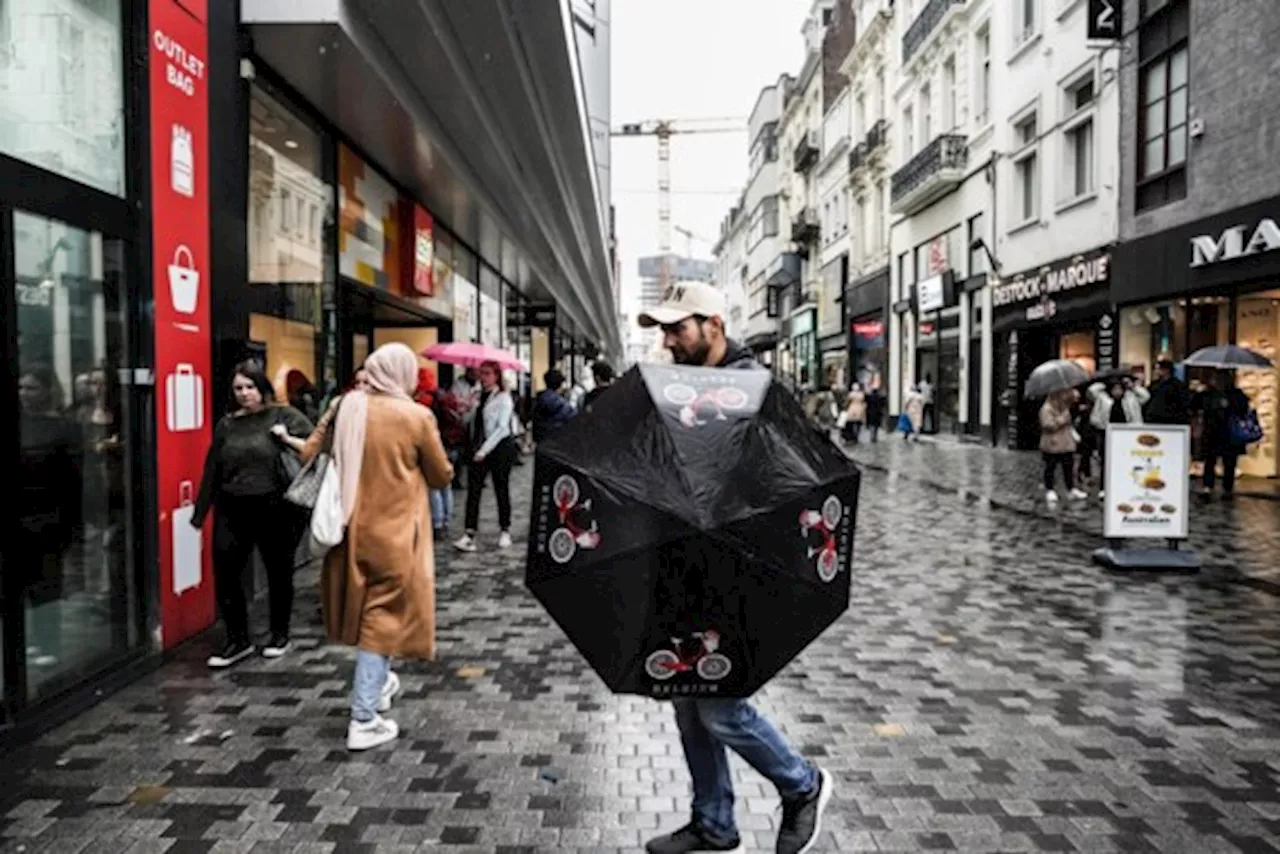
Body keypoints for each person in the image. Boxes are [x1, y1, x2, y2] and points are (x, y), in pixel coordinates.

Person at [636, 280, 832, 854]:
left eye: (678, 328)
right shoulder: (685, 387)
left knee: (721, 707)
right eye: (664, 330)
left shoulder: (757, 392)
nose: (669, 340)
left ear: (713, 326)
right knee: (687, 703)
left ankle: (802, 785)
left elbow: (794, 483)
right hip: (686, 568)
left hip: (739, 573)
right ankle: (714, 824)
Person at [295, 343, 453, 750]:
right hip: (396, 533)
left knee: (365, 610)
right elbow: (441, 475)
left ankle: (379, 684)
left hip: (349, 530)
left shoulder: (349, 406)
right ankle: (364, 718)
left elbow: (315, 449)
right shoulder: (416, 416)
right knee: (381, 620)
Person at [193, 362, 314, 668]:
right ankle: (238, 640)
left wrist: (286, 438)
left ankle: (279, 635)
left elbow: (315, 449)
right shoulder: (227, 425)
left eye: (250, 387)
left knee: (278, 571)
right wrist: (200, 511)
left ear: (262, 388)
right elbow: (213, 469)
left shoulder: (283, 416)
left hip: (275, 506)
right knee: (227, 571)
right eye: (238, 388)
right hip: (232, 506)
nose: (245, 394)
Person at [454, 361, 518, 553]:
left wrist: (484, 450)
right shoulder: (478, 395)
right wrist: (467, 408)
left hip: (499, 448)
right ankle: (469, 532)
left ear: (496, 375)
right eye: (481, 373)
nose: (483, 377)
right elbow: (469, 422)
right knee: (474, 490)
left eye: (487, 373)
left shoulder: (503, 398)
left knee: (501, 487)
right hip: (478, 446)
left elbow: (501, 428)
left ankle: (505, 529)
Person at [1192, 371, 1252, 497]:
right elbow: (1196, 405)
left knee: (1229, 462)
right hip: (1212, 432)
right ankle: (1208, 486)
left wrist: (1229, 405)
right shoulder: (1208, 394)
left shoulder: (1236, 394)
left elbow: (1243, 409)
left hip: (1230, 433)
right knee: (1210, 460)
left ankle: (1227, 488)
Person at [1088, 376, 1150, 498]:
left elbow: (1145, 396)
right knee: (1106, 461)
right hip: (1106, 433)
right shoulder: (1102, 398)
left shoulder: (1131, 397)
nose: (1117, 392)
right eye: (1114, 389)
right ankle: (1104, 487)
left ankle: (1127, 485)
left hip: (1127, 434)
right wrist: (1103, 383)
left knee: (1128, 460)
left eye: (1119, 389)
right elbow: (1092, 390)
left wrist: (1133, 386)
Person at [1039, 389, 1087, 505]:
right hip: (1052, 443)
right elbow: (1047, 425)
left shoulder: (1065, 407)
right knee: (1050, 467)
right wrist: (1061, 420)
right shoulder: (1046, 409)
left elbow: (1074, 398)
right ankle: (1050, 489)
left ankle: (1071, 488)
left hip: (1066, 442)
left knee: (1068, 467)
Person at [532, 369, 576, 443]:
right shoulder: (563, 405)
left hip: (542, 443)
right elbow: (575, 421)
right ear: (560, 384)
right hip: (559, 444)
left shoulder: (538, 401)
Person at [1144, 359, 1191, 425]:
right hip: (1153, 418)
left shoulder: (1177, 385)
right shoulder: (1154, 384)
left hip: (1171, 419)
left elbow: (1183, 401)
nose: (1156, 371)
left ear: (1166, 370)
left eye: (1158, 368)